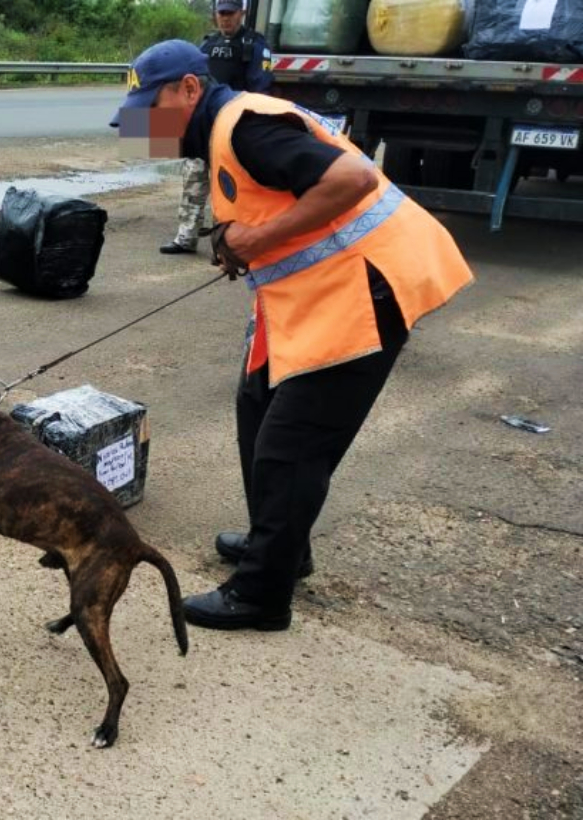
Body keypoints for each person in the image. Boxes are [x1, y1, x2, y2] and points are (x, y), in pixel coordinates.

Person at [110, 40, 473, 631]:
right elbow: (276, 205)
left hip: (367, 286)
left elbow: (354, 178)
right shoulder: (224, 135)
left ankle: (261, 595)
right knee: (257, 405)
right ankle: (280, 545)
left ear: (189, 90)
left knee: (291, 443)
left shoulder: (246, 125)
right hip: (316, 293)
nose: (146, 126)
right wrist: (246, 241)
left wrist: (256, 239)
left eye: (152, 109)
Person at [161, 0, 273, 256]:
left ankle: (226, 244)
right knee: (193, 180)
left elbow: (261, 87)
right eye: (221, 13)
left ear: (241, 14)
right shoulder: (207, 46)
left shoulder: (254, 45)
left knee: (229, 188)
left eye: (230, 14)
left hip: (234, 125)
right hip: (203, 124)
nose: (225, 19)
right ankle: (185, 237)